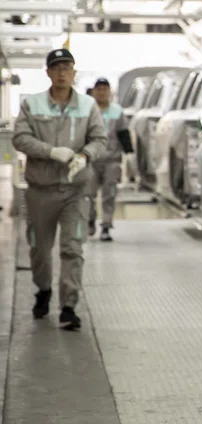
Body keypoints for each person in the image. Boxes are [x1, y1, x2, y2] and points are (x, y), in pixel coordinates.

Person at [12, 48, 106, 331]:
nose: (62, 72)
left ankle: (69, 306)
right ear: (48, 73)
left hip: (74, 192)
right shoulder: (33, 104)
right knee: (40, 250)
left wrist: (84, 155)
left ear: (74, 73)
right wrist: (51, 152)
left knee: (72, 248)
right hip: (40, 191)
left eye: (67, 67)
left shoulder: (88, 106)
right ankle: (43, 290)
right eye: (57, 68)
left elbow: (100, 140)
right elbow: (20, 138)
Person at [87, 77, 132, 241]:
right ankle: (89, 220)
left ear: (109, 92)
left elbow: (124, 134)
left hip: (112, 159)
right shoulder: (88, 110)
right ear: (94, 92)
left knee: (109, 194)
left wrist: (130, 154)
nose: (102, 92)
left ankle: (106, 225)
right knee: (88, 194)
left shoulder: (117, 111)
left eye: (105, 89)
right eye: (99, 89)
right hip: (91, 159)